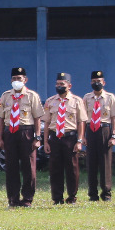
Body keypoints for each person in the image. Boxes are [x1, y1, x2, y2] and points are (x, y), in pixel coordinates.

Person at [0, 67, 44, 208]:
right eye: (14, 79)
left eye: (19, 79)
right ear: (11, 80)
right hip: (9, 132)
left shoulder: (32, 96)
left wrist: (37, 137)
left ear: (25, 80)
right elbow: (1, 118)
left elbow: (37, 118)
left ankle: (27, 198)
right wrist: (0, 138)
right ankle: (13, 199)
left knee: (29, 167)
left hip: (26, 132)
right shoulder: (5, 96)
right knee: (11, 167)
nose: (16, 81)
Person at [43, 72, 88, 204]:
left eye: (62, 84)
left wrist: (80, 140)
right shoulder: (50, 101)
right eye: (57, 84)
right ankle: (57, 198)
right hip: (55, 138)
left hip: (70, 138)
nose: (59, 86)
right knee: (55, 168)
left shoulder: (77, 101)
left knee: (72, 169)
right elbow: (46, 122)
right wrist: (45, 141)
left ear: (69, 85)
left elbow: (81, 122)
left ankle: (72, 197)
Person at [83, 70, 115, 202]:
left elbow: (114, 118)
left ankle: (106, 194)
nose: (96, 83)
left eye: (99, 81)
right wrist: (83, 136)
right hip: (90, 131)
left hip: (104, 130)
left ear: (103, 82)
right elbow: (83, 119)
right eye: (94, 81)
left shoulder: (110, 97)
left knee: (105, 163)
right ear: (90, 83)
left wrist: (113, 136)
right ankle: (92, 194)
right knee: (91, 163)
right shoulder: (87, 98)